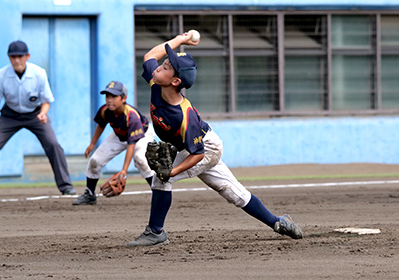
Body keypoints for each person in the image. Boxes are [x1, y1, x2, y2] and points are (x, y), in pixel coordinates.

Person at [125, 32, 303, 247]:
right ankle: (279, 223)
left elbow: (198, 153)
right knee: (233, 192)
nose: (160, 65)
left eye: (166, 66)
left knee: (161, 179)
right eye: (164, 63)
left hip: (204, 148)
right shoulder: (156, 82)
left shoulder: (184, 115)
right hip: (197, 145)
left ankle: (155, 232)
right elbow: (150, 55)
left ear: (175, 81)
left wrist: (172, 171)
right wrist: (180, 40)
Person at [0, 40, 76, 196]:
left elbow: (46, 102)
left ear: (27, 56)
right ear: (9, 58)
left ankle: (66, 186)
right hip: (10, 116)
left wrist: (43, 114)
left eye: (20, 56)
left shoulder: (39, 74)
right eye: (13, 57)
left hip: (35, 115)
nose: (17, 60)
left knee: (53, 144)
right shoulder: (1, 75)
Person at [72, 81, 155, 205]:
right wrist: (92, 144)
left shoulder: (131, 116)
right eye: (107, 96)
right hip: (119, 134)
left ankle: (159, 192)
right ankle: (89, 194)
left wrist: (124, 171)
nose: (110, 100)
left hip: (142, 134)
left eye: (114, 96)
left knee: (140, 159)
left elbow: (131, 144)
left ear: (124, 98)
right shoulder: (105, 110)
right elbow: (101, 124)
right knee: (95, 161)